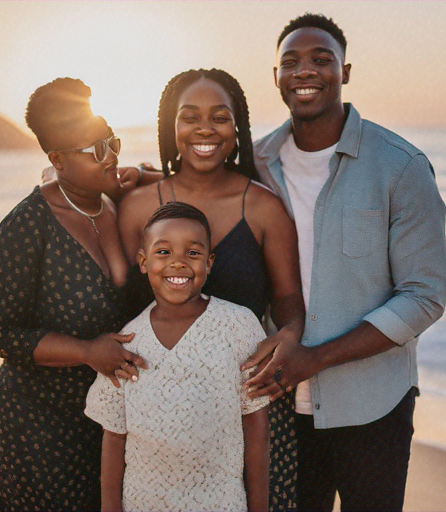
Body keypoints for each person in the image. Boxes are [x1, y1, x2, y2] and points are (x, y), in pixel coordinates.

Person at [243, 13, 446, 512]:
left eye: (320, 59)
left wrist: (316, 359)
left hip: (374, 406)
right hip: (277, 409)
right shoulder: (255, 164)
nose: (304, 71)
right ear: (276, 77)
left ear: (345, 71)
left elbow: (423, 298)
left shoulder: (400, 165)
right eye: (290, 62)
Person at [117, 68, 305, 510]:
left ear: (237, 128)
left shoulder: (263, 206)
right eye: (190, 117)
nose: (205, 128)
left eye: (220, 117)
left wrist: (290, 333)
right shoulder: (137, 206)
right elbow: (120, 301)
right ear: (171, 129)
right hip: (157, 412)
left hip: (247, 405)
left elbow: (288, 296)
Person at [0, 77, 149, 512]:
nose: (111, 157)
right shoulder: (29, 224)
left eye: (113, 141)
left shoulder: (114, 200)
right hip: (33, 423)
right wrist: (88, 351)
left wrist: (144, 173)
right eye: (95, 151)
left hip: (99, 419)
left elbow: (189, 187)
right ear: (57, 160)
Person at [85, 201, 270, 512]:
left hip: (221, 502)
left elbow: (257, 426)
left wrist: (259, 507)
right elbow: (114, 435)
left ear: (209, 263)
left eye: (193, 253)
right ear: (143, 262)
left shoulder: (238, 325)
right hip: (143, 503)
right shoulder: (129, 340)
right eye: (163, 252)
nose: (178, 262)